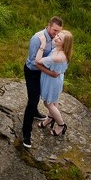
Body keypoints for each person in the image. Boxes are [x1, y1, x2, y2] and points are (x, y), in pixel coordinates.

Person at [21, 16, 63, 148]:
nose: (56, 34)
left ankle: (35, 113)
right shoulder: (37, 38)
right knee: (32, 101)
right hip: (33, 72)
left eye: (58, 31)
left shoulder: (55, 39)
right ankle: (26, 133)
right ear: (48, 26)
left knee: (40, 96)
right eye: (54, 30)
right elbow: (34, 62)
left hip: (43, 72)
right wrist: (51, 73)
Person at [35, 30, 73, 137]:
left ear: (65, 44)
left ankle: (61, 124)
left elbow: (38, 60)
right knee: (54, 102)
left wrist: (42, 45)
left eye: (59, 38)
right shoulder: (57, 48)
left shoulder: (60, 56)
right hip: (52, 78)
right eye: (57, 35)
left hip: (52, 82)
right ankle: (50, 119)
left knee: (48, 103)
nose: (56, 38)